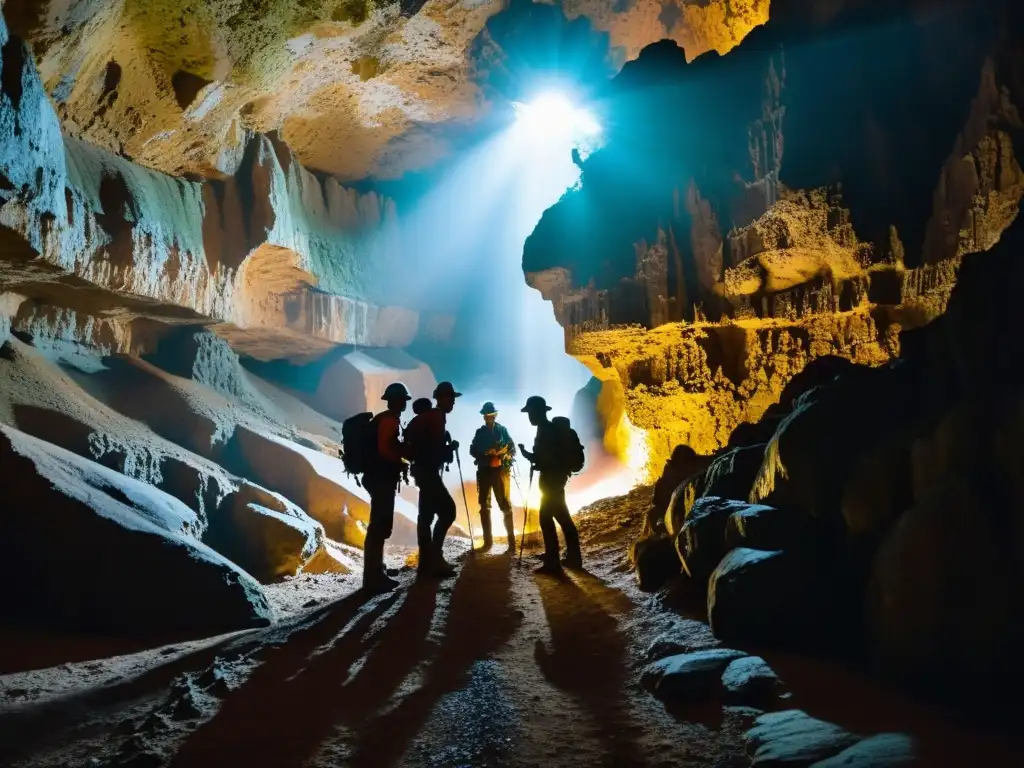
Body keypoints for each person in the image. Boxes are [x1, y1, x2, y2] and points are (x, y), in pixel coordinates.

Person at [518, 395, 582, 575]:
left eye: (531, 413)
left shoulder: (546, 431)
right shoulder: (546, 429)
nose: (529, 416)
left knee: (546, 518)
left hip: (551, 481)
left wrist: (530, 456)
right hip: (554, 479)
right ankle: (573, 558)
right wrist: (528, 454)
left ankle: (553, 562)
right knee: (562, 517)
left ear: (539, 412)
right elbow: (544, 458)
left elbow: (544, 459)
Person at [406, 381, 462, 578]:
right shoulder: (437, 417)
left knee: (426, 518)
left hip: (422, 472)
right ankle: (435, 559)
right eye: (451, 398)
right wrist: (449, 448)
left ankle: (425, 564)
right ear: (442, 398)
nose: (453, 402)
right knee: (448, 511)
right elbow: (436, 450)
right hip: (428, 473)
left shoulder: (431, 417)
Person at [362, 381, 412, 592]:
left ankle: (375, 571)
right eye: (403, 400)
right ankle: (373, 577)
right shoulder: (389, 421)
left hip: (377, 477)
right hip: (381, 478)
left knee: (378, 525)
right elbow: (385, 449)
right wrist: (402, 456)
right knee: (380, 526)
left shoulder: (385, 419)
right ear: (397, 401)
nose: (404, 404)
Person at [469, 401, 516, 553]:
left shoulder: (502, 430)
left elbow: (512, 447)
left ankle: (512, 544)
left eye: (490, 415)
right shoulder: (479, 432)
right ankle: (488, 543)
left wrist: (503, 456)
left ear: (495, 415)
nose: (487, 418)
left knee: (505, 505)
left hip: (501, 472)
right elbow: (472, 450)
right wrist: (486, 455)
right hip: (484, 471)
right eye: (485, 416)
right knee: (484, 505)